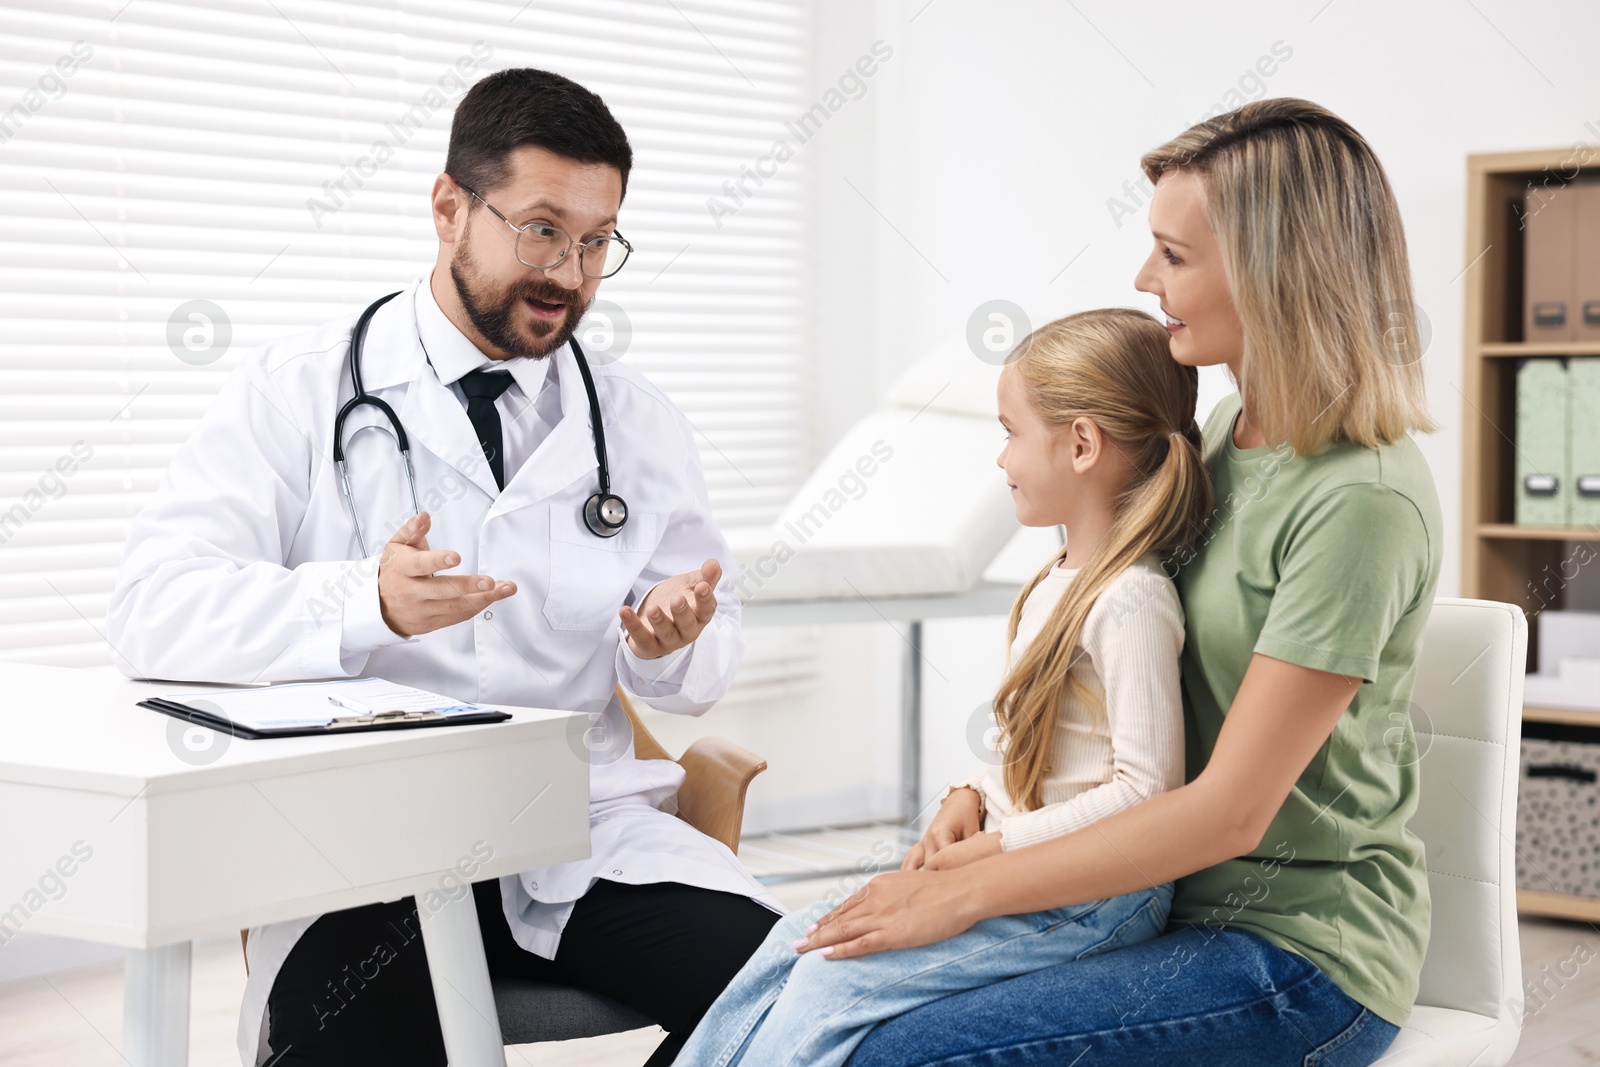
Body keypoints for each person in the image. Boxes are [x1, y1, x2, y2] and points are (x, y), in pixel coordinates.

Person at [106, 68, 782, 1067]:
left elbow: (702, 662)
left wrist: (667, 640)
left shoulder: (635, 423)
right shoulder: (295, 391)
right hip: (363, 847)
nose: (569, 272)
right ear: (448, 207)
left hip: (581, 831)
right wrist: (362, 600)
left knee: (806, 1008)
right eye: (542, 229)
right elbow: (151, 608)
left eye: (598, 242)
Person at [800, 97, 1443, 1067]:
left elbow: (1229, 810)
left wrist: (967, 886)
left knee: (900, 1049)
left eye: (1173, 256)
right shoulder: (1222, 438)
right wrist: (979, 796)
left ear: (1275, 267)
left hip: (1292, 953)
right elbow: (1101, 689)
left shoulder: (1362, 498)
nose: (1145, 280)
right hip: (1139, 902)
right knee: (820, 984)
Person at [673, 308, 1214, 1067]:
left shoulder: (1129, 598)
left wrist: (999, 845)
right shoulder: (1057, 581)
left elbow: (1146, 794)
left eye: (1011, 432)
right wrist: (974, 792)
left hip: (1099, 898)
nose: (1001, 460)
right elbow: (1053, 758)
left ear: (1083, 443)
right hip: (1035, 871)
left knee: (837, 983)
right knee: (796, 940)